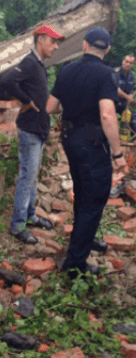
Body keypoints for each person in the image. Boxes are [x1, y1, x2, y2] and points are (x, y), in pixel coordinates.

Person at [46, 26, 127, 277]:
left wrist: (73, 108)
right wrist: (117, 153)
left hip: (70, 139)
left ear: (84, 45)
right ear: (108, 49)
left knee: (83, 190)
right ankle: (75, 265)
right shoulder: (106, 74)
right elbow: (107, 114)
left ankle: (84, 238)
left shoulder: (67, 70)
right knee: (94, 199)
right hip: (93, 142)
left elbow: (51, 107)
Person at [0, 25, 63, 244]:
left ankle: (31, 215)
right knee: (27, 176)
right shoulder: (29, 62)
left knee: (33, 176)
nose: (55, 47)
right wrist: (26, 100)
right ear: (41, 40)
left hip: (39, 129)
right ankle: (17, 225)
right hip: (30, 130)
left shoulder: (39, 65)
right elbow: (6, 80)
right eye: (53, 42)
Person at [112, 54, 136, 136]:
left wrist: (131, 98)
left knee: (130, 115)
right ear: (123, 61)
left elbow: (131, 91)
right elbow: (116, 90)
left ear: (133, 65)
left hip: (123, 102)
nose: (128, 64)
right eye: (126, 62)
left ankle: (130, 137)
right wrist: (128, 98)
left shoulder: (131, 76)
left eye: (131, 63)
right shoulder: (115, 72)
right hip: (112, 100)